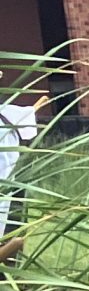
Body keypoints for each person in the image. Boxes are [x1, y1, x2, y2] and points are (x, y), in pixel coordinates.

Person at [0, 92, 44, 238]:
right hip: (10, 171)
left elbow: (27, 130)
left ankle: (10, 243)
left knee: (12, 210)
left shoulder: (8, 113)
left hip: (10, 172)